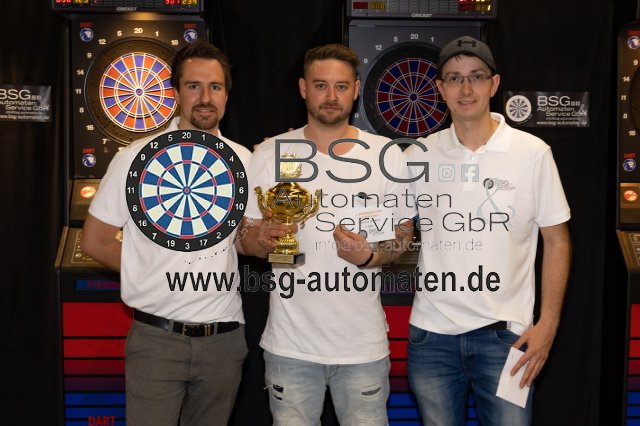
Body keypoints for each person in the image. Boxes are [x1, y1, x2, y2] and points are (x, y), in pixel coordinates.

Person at [237, 43, 414, 425]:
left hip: (362, 348)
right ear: (304, 88)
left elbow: (403, 234)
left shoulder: (385, 155)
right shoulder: (269, 153)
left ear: (356, 89)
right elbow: (242, 236)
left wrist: (371, 256)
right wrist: (262, 240)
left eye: (340, 86)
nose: (331, 96)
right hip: (290, 347)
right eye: (320, 85)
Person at [80, 42, 252, 426]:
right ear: (175, 93)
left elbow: (243, 239)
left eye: (215, 87)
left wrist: (270, 236)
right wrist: (151, 276)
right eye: (193, 86)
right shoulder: (134, 158)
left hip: (224, 342)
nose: (205, 97)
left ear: (227, 94)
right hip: (157, 339)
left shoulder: (244, 159)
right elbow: (95, 241)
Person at [404, 36, 572, 425]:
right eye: (454, 78)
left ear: (494, 84)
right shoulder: (418, 155)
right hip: (431, 339)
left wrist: (548, 325)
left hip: (506, 338)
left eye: (476, 77)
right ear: (440, 88)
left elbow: (557, 241)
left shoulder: (532, 153)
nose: (466, 89)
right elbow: (395, 230)